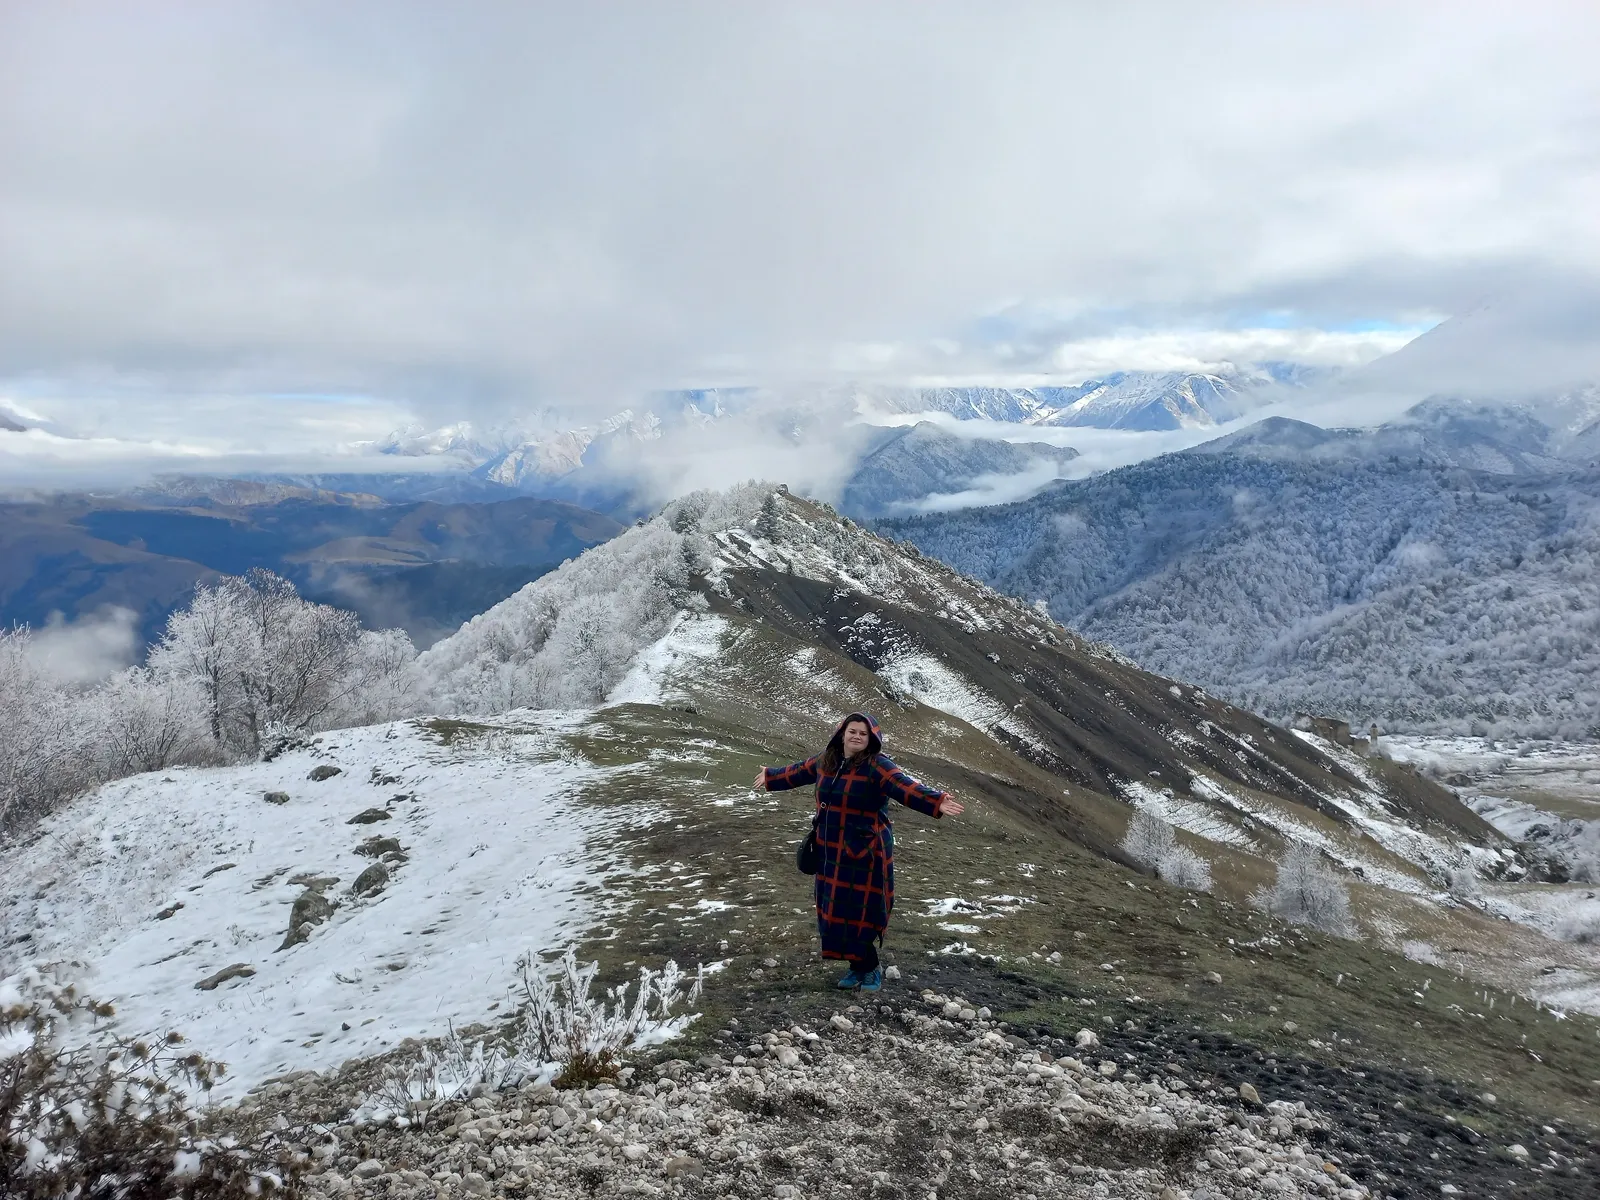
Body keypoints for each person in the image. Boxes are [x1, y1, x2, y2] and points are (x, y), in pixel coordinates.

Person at [752, 712, 964, 991]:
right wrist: (771, 777)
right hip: (831, 851)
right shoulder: (825, 761)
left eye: (863, 734)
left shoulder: (878, 766)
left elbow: (904, 786)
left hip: (867, 852)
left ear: (871, 739)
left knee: (862, 912)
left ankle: (870, 968)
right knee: (834, 910)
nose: (857, 737)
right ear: (842, 733)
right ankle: (856, 967)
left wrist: (935, 802)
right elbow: (797, 771)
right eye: (852, 731)